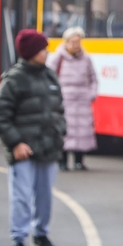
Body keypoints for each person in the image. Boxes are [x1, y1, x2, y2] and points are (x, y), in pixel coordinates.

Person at [0, 29, 66, 246]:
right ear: (30, 52)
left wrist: (61, 134)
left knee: (45, 197)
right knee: (22, 198)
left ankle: (41, 235)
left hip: (49, 148)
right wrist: (16, 143)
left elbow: (59, 110)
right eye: (42, 48)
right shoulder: (13, 80)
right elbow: (2, 115)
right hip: (24, 151)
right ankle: (19, 241)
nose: (46, 52)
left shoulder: (49, 76)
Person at [47, 27, 98, 171]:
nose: (76, 45)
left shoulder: (86, 59)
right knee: (64, 131)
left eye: (78, 41)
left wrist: (91, 94)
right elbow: (49, 78)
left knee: (82, 132)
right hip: (64, 100)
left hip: (82, 100)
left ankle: (79, 161)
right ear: (67, 42)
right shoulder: (58, 58)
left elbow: (93, 78)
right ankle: (62, 161)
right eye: (74, 42)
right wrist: (55, 97)